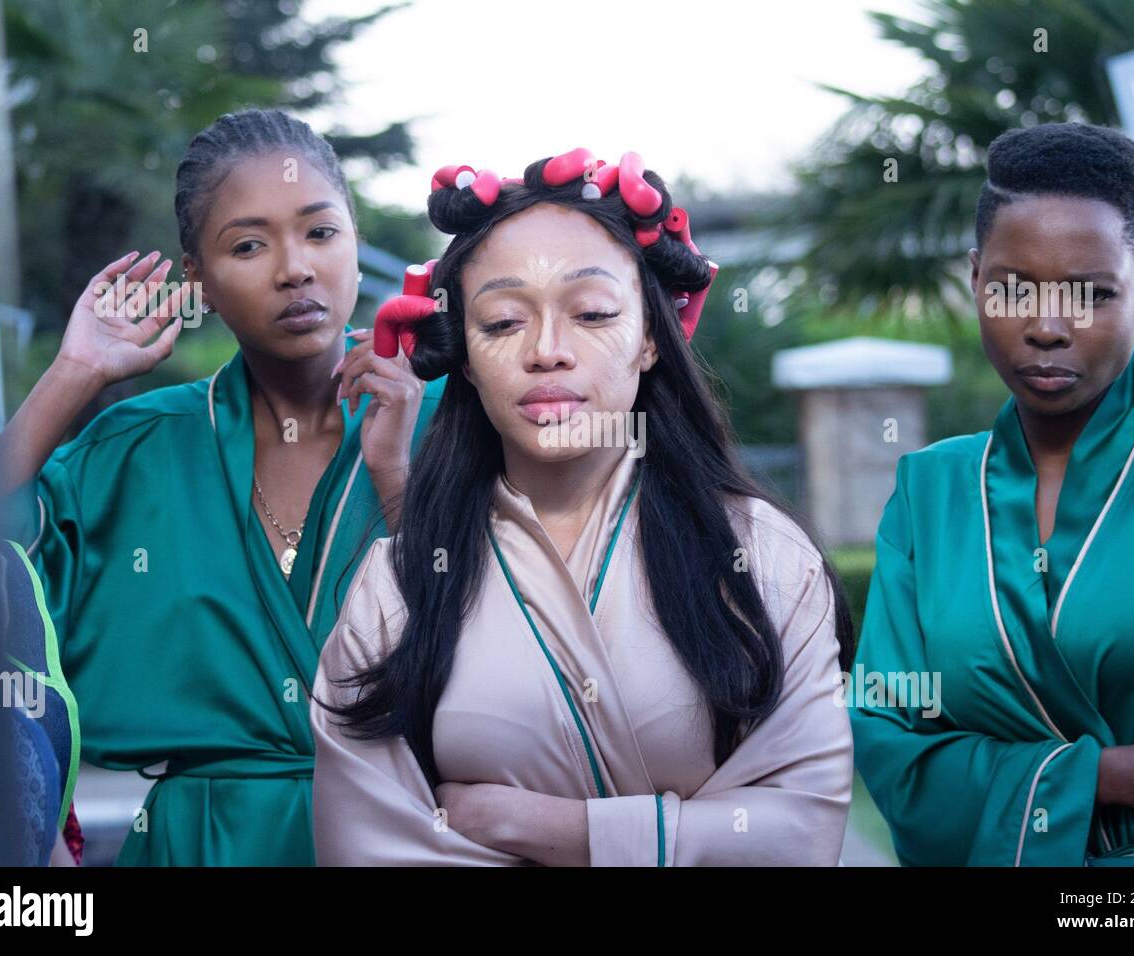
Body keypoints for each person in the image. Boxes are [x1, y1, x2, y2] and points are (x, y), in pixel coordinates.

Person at [310, 148, 855, 866]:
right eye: (503, 322)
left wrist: (553, 829)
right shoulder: (398, 580)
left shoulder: (762, 553)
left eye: (592, 312)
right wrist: (681, 834)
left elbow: (800, 828)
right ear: (467, 360)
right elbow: (368, 842)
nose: (546, 350)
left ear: (653, 338)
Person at [0, 108, 442, 865]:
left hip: (413, 836)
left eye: (320, 232)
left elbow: (516, 630)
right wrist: (73, 376)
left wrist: (396, 474)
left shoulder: (451, 422)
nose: (294, 267)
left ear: (354, 238)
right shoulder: (135, 447)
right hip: (196, 846)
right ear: (197, 277)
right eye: (247, 244)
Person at [850, 123, 1134, 866]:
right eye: (1012, 290)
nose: (1047, 328)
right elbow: (892, 745)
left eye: (1093, 294)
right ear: (974, 279)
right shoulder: (930, 493)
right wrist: (1111, 778)